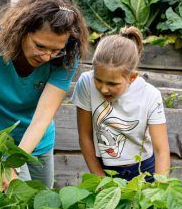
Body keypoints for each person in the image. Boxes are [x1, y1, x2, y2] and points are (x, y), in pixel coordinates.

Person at [0, 0, 88, 188]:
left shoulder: (67, 57)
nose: (47, 57)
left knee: (41, 200)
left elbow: (42, 117)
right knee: (6, 200)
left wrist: (15, 164)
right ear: (21, 31)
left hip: (37, 139)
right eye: (40, 46)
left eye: (56, 50)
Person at [71, 26, 170, 181]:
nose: (103, 89)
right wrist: (100, 180)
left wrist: (160, 188)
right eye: (98, 80)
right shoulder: (86, 83)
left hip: (144, 170)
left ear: (132, 77)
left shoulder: (150, 95)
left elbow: (161, 149)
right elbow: (85, 136)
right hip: (105, 169)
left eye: (112, 84)